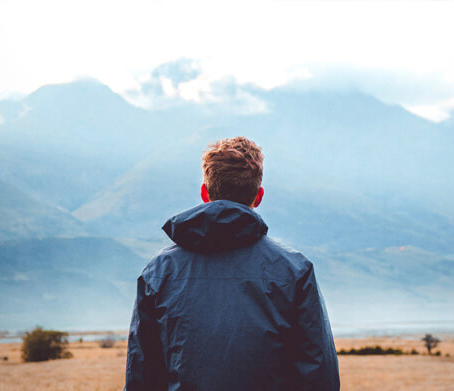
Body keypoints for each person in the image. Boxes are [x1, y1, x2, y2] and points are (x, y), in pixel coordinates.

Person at [124, 136, 340, 391]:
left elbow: (142, 377)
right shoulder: (294, 271)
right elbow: (319, 377)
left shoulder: (159, 273)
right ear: (258, 196)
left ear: (204, 193)